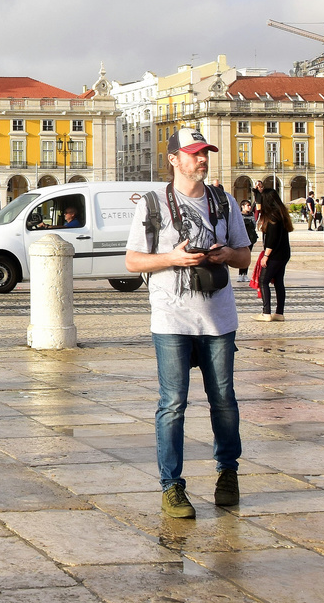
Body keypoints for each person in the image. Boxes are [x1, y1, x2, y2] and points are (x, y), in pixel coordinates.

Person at [124, 128, 252, 519]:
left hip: (219, 319)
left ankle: (227, 473)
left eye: (205, 152)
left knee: (224, 401)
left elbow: (245, 257)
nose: (202, 159)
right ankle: (171, 486)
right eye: (194, 153)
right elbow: (132, 261)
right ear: (174, 159)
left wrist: (225, 254)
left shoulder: (224, 202)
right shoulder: (152, 204)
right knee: (173, 404)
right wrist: (173, 259)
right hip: (171, 318)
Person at [254, 188, 292, 322]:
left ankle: (266, 313)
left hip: (274, 254)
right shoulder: (281, 213)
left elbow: (272, 239)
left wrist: (266, 256)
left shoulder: (273, 217)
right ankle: (279, 313)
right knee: (279, 282)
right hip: (284, 253)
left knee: (263, 281)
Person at [238, 200, 257, 280]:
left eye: (250, 205)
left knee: (247, 256)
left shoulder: (252, 215)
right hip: (242, 238)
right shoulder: (239, 215)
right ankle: (240, 274)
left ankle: (245, 274)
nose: (249, 207)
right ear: (243, 206)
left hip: (250, 238)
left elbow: (254, 225)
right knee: (241, 256)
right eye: (247, 205)